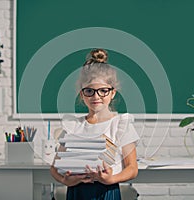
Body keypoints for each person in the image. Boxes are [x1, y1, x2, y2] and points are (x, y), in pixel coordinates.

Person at [50, 48, 140, 200]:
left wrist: (111, 179)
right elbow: (54, 168)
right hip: (77, 192)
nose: (96, 96)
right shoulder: (73, 126)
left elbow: (132, 169)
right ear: (82, 94)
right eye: (89, 91)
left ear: (112, 93)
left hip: (107, 192)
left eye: (103, 90)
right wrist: (65, 180)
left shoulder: (120, 124)